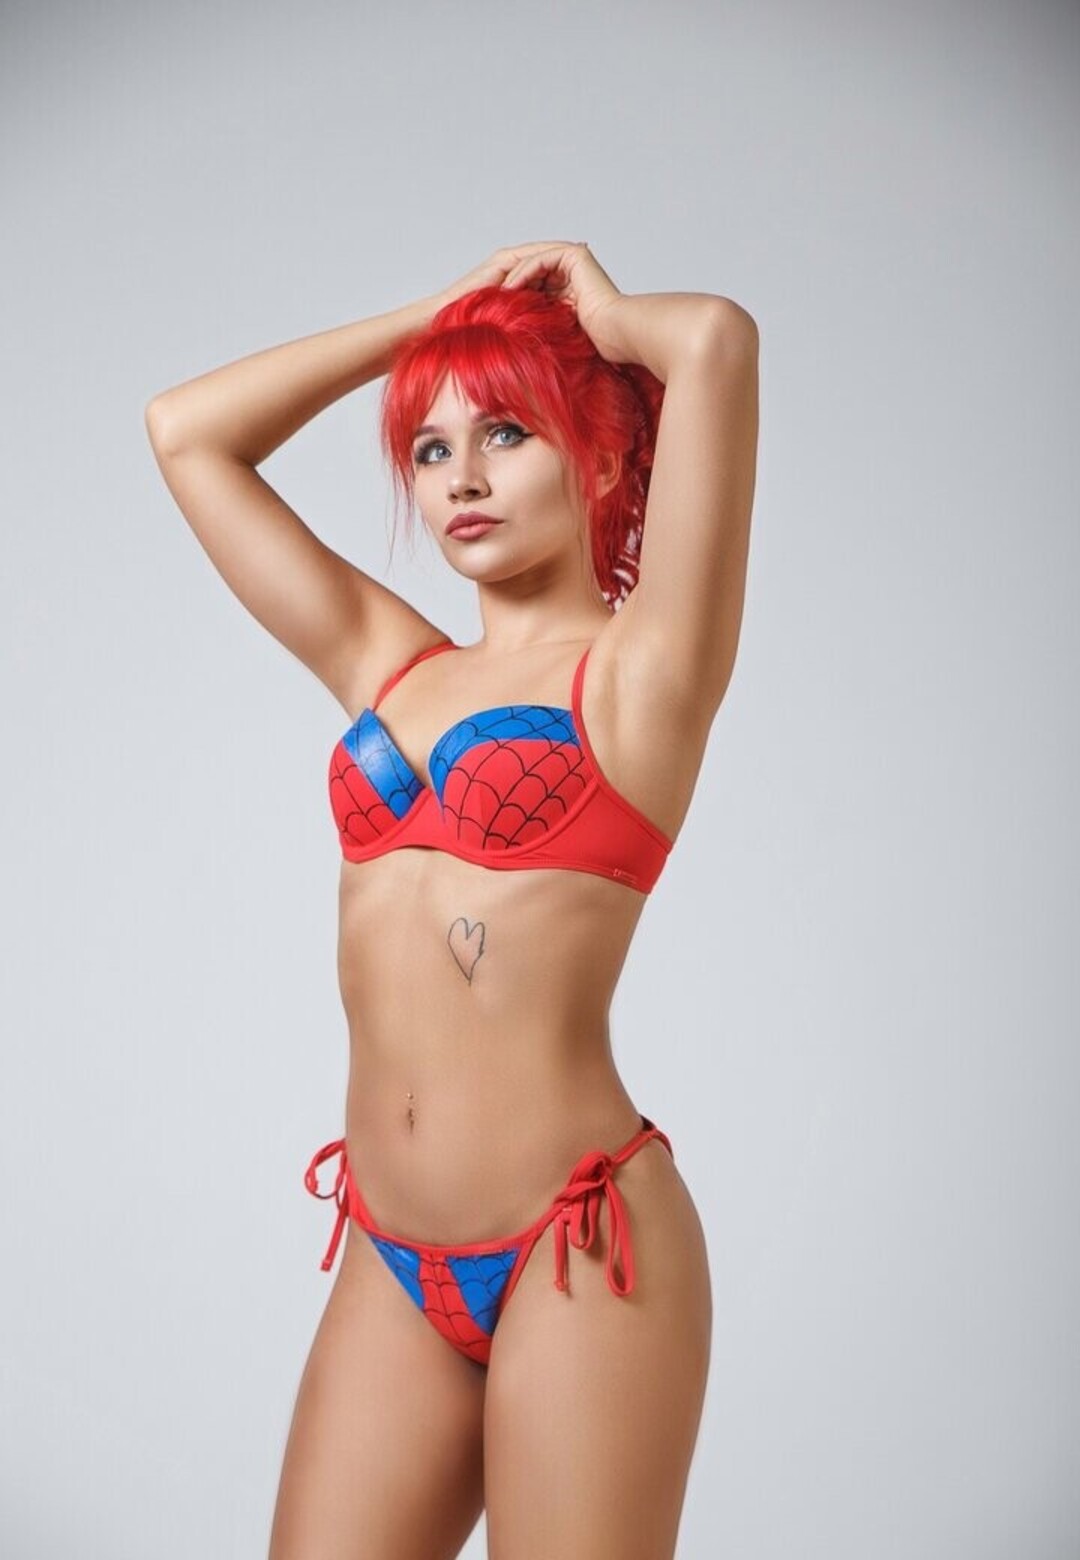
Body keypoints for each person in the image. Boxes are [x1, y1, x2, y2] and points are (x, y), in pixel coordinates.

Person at [145, 240, 759, 1560]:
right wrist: (437, 321)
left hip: (580, 1243)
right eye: (430, 450)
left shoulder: (642, 676)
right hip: (390, 1251)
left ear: (603, 461)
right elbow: (187, 434)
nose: (461, 480)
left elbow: (713, 340)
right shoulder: (390, 662)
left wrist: (596, 315)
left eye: (506, 434)